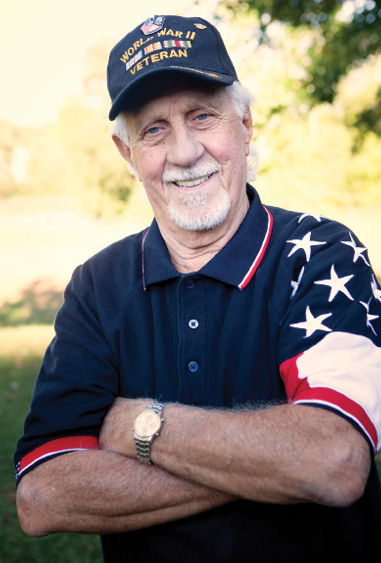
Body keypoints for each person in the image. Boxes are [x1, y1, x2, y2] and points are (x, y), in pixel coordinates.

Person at [14, 14, 381, 562]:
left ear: (245, 121)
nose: (184, 153)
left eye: (202, 115)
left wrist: (139, 427)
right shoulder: (97, 286)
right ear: (127, 154)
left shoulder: (322, 253)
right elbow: (44, 496)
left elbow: (332, 461)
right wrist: (276, 465)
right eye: (154, 129)